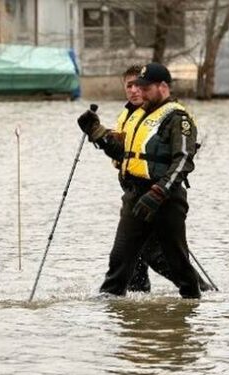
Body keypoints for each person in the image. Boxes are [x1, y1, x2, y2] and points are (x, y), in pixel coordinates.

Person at [78, 62, 202, 299]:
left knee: (176, 261)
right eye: (136, 87)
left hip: (166, 198)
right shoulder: (138, 115)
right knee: (120, 257)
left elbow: (183, 161)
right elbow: (124, 152)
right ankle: (110, 305)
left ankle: (193, 302)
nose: (140, 93)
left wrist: (159, 192)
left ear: (162, 86)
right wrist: (97, 133)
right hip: (135, 195)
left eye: (145, 88)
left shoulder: (178, 118)